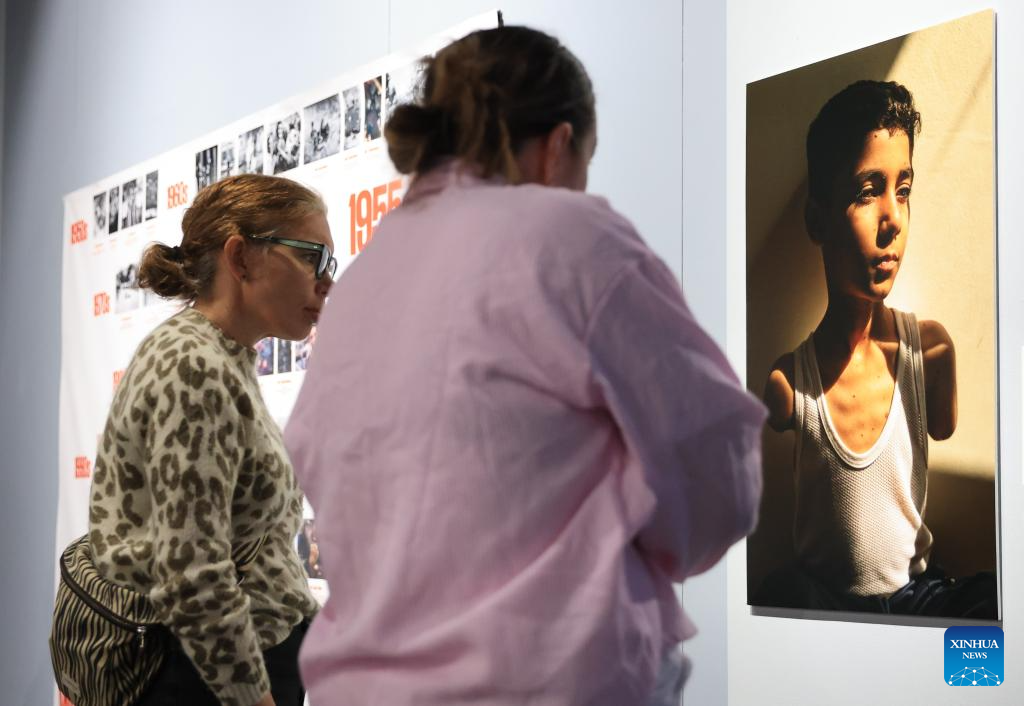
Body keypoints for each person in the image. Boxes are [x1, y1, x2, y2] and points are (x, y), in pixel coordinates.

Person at [285, 25, 766, 705]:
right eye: (584, 164)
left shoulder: (360, 283)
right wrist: (617, 529)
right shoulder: (568, 238)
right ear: (559, 146)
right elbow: (716, 468)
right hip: (546, 682)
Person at [87, 173, 336, 706]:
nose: (326, 282)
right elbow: (193, 577)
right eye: (312, 257)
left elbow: (255, 552)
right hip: (209, 683)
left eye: (329, 264)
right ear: (241, 258)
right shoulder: (193, 366)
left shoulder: (223, 358)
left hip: (235, 669)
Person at [756, 80, 989, 615]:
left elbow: (942, 425)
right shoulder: (791, 385)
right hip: (823, 602)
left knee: (989, 619)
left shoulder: (930, 354)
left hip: (916, 596)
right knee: (776, 596)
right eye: (868, 191)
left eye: (903, 190)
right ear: (817, 220)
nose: (894, 220)